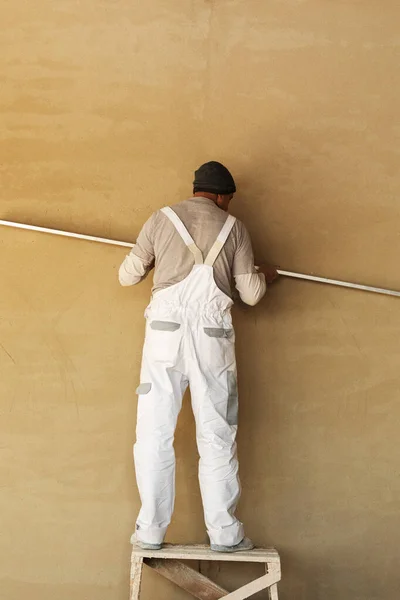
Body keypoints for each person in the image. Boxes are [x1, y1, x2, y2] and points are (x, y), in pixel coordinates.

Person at [119, 161, 278, 552]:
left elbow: (127, 275)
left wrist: (156, 259)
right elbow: (251, 295)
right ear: (223, 196)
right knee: (217, 435)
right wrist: (266, 276)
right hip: (212, 337)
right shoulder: (234, 227)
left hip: (164, 335)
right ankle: (225, 534)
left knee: (154, 433)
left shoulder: (160, 219)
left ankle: (150, 532)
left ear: (196, 189)